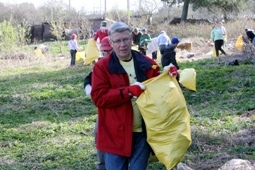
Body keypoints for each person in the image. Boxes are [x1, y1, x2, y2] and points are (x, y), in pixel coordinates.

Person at [90, 22, 161, 170]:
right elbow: (99, 98)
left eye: (125, 39)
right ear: (111, 42)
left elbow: (159, 88)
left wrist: (172, 76)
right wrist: (127, 92)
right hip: (114, 134)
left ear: (131, 39)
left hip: (142, 134)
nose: (122, 44)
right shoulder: (102, 67)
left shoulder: (147, 63)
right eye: (117, 41)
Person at [84, 36, 113, 170]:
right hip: (105, 110)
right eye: (104, 51)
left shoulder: (127, 62)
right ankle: (103, 166)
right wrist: (89, 89)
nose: (107, 54)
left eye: (109, 51)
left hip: (126, 109)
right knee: (99, 134)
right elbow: (88, 78)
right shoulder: (101, 65)